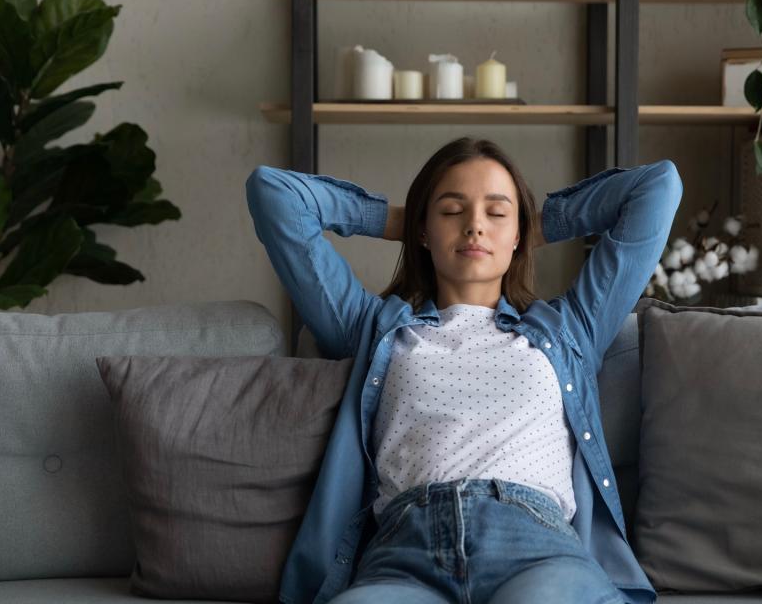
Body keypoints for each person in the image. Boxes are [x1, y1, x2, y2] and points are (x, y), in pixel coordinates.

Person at [245, 137, 683, 604]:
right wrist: (402, 219)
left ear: (518, 233)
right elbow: (274, 194)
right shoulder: (373, 329)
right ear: (423, 230)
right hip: (405, 554)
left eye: (496, 213)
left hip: (534, 547)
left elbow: (658, 187)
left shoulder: (571, 328)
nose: (475, 226)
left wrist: (533, 225)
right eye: (452, 211)